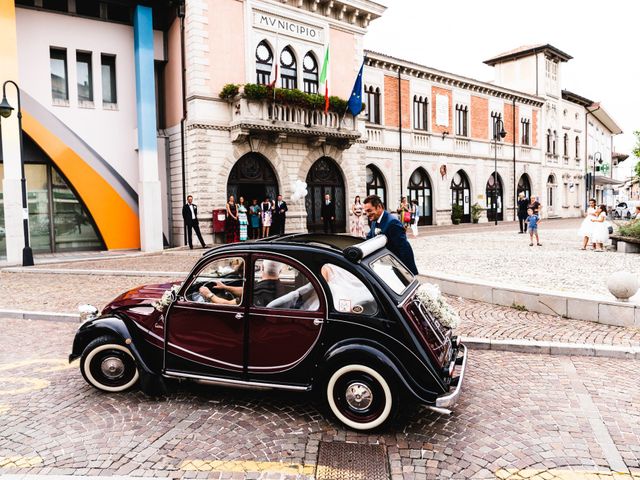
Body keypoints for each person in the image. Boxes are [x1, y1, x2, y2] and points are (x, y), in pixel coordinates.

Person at [364, 194, 418, 274]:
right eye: (366, 212)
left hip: (395, 268)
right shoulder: (374, 221)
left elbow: (404, 247)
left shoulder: (392, 222)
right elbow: (369, 238)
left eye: (369, 210)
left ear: (379, 207)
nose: (367, 214)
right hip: (383, 266)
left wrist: (408, 272)